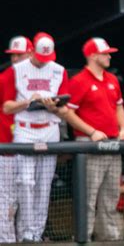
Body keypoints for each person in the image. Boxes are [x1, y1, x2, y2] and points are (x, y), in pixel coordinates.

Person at [2, 32, 69, 242]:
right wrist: (28, 101)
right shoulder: (15, 71)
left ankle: (35, 234)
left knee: (44, 184)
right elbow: (6, 107)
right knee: (25, 182)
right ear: (32, 52)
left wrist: (54, 106)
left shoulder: (59, 70)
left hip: (50, 127)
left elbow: (65, 108)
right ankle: (25, 233)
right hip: (25, 128)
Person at [65, 37, 124, 241]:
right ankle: (84, 238)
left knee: (111, 196)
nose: (109, 56)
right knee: (88, 197)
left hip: (113, 143)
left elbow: (119, 106)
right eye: (105, 53)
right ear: (93, 55)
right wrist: (91, 131)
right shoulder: (79, 80)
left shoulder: (112, 79)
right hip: (90, 145)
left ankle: (110, 239)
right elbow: (67, 112)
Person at [0, 35, 34, 243]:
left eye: (19, 54)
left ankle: (27, 238)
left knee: (28, 198)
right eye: (13, 55)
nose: (15, 59)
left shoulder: (39, 77)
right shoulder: (4, 78)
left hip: (30, 147)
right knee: (7, 200)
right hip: (6, 149)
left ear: (31, 53)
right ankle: (7, 240)